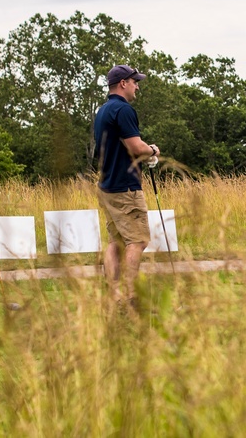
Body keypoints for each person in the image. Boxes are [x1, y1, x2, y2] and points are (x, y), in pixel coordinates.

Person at [94, 65, 161, 310]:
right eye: (135, 81)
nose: (137, 86)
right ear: (123, 83)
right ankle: (132, 298)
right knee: (138, 240)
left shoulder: (103, 111)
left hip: (107, 185)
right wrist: (152, 150)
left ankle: (113, 297)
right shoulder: (123, 109)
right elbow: (135, 147)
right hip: (125, 187)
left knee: (116, 241)